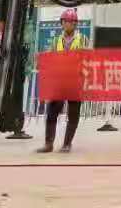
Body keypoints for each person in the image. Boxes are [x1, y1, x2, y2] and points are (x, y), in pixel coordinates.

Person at [37, 9, 89, 153]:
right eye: (65, 21)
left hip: (75, 82)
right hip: (59, 82)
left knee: (73, 114)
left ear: (75, 24)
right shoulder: (56, 40)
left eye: (70, 22)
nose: (67, 24)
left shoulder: (82, 39)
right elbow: (51, 56)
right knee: (52, 112)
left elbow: (87, 57)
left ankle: (67, 144)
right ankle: (48, 144)